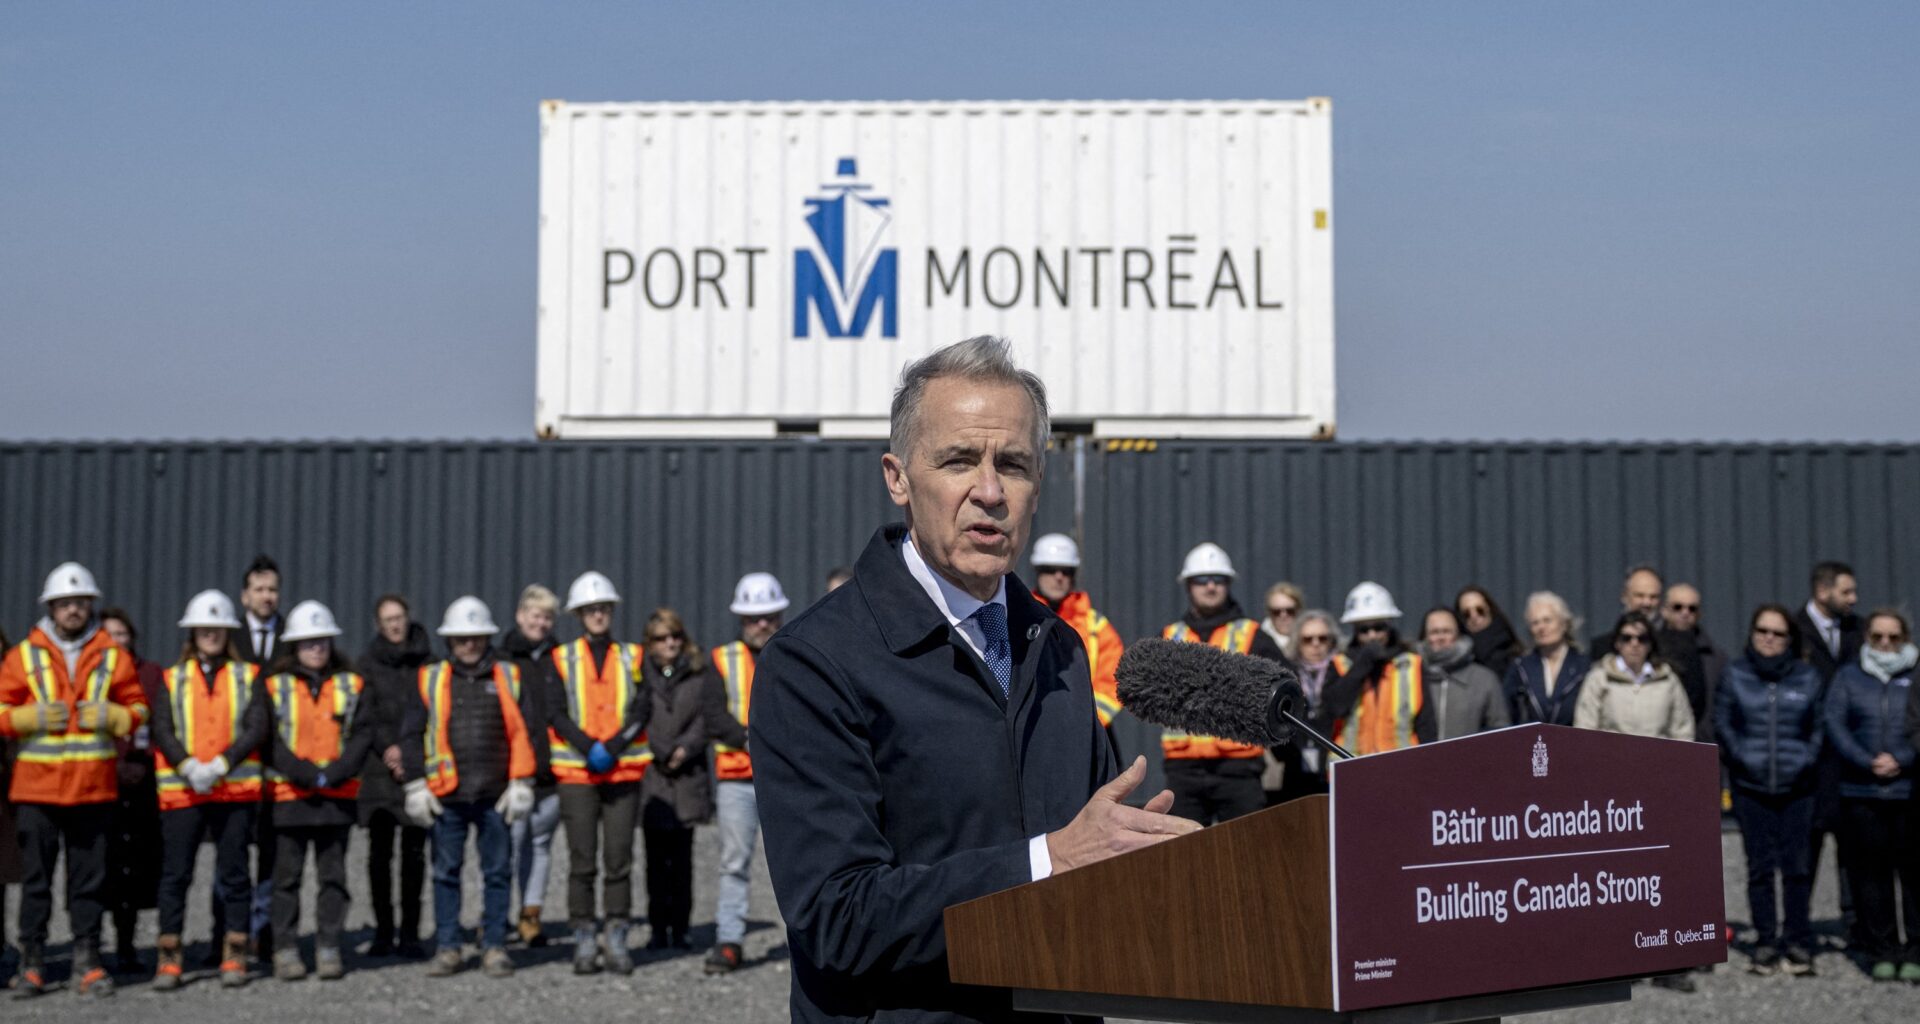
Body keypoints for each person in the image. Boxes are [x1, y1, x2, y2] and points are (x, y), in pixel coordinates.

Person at [753, 335, 1199, 1022]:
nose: (988, 491)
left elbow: (1087, 859)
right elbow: (835, 917)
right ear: (897, 477)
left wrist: (1148, 869)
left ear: (1037, 485)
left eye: (1013, 465)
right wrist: (1049, 860)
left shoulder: (1060, 651)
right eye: (959, 460)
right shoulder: (814, 662)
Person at [0, 562, 148, 998]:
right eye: (65, 603)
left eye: (80, 602)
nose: (72, 610)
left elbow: (139, 709)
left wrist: (117, 716)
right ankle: (32, 963)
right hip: (37, 789)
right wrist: (23, 718)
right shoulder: (21, 656)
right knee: (36, 882)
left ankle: (87, 960)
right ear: (51, 607)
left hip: (92, 789)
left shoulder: (112, 655)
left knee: (89, 881)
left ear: (90, 606)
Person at [403, 596, 537, 980]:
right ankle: (449, 947)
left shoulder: (508, 676)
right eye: (462, 638)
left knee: (496, 872)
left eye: (476, 637)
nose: (469, 644)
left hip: (496, 795)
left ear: (487, 638)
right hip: (447, 795)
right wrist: (415, 784)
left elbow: (526, 730)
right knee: (446, 872)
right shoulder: (430, 678)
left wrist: (522, 781)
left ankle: (494, 945)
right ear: (449, 641)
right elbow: (411, 734)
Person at [149, 590, 268, 991]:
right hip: (183, 792)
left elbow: (256, 726)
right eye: (205, 628)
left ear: (227, 632)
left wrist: (221, 764)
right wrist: (186, 765)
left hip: (232, 791)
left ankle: (234, 952)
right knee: (176, 875)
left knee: (234, 874)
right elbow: (162, 727)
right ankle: (169, 956)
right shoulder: (172, 677)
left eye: (218, 628)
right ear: (193, 631)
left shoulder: (247, 675)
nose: (211, 634)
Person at [545, 570, 652, 975]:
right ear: (578, 614)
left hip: (622, 772)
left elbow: (641, 708)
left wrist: (615, 745)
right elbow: (555, 711)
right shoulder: (562, 657)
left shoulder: (632, 656)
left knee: (619, 859)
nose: (598, 615)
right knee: (582, 860)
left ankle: (618, 934)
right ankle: (584, 935)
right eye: (590, 610)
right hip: (578, 774)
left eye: (603, 608)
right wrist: (587, 746)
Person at [261, 600, 373, 982]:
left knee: (333, 878)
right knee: (286, 879)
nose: (316, 648)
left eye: (322, 641)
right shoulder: (275, 686)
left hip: (337, 798)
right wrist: (307, 773)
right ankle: (286, 949)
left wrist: (337, 772)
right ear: (295, 646)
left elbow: (363, 734)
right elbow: (269, 740)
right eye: (308, 643)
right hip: (291, 797)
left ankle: (328, 946)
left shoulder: (352, 683)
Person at [1716, 604, 1823, 977]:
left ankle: (1797, 940)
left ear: (1789, 639)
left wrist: (1805, 761)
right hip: (1751, 787)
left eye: (1777, 633)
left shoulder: (1807, 677)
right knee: (1760, 868)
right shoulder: (1736, 674)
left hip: (1798, 787)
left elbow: (1817, 727)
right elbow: (1725, 723)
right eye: (1762, 630)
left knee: (1797, 868)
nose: (1768, 638)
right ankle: (1765, 941)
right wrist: (1743, 757)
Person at [1159, 541, 1286, 824]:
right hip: (1183, 771)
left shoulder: (1253, 635)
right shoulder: (1168, 636)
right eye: (1201, 580)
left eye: (1218, 579)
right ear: (1188, 585)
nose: (1210, 586)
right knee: (1183, 859)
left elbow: (1286, 694)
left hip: (1238, 770)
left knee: (1246, 855)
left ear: (1228, 584)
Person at [1823, 608, 1918, 982]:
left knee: (1913, 876)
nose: (1885, 644)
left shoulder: (1916, 674)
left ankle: (1914, 948)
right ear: (1867, 637)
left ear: (1905, 639)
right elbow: (1835, 722)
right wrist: (1866, 760)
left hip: (1910, 788)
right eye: (1877, 636)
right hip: (1861, 789)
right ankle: (1882, 948)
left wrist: (1904, 758)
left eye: (1893, 637)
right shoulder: (1849, 676)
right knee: (1870, 876)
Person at [703, 574, 780, 974]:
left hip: (786, 780)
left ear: (779, 615)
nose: (761, 624)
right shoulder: (720, 659)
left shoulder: (795, 653)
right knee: (734, 862)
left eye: (767, 616)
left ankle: (812, 941)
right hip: (737, 778)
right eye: (753, 618)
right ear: (740, 620)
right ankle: (729, 940)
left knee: (803, 860)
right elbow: (713, 714)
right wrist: (753, 739)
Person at [354, 594, 431, 958]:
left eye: (399, 617)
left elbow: (434, 709)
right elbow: (364, 715)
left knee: (414, 854)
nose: (395, 625)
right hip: (379, 770)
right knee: (379, 854)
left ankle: (411, 933)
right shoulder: (367, 664)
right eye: (388, 620)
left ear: (408, 617)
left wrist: (409, 752)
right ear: (379, 625)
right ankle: (384, 931)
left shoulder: (427, 660)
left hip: (417, 765)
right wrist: (390, 749)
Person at [638, 607, 718, 952]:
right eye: (661, 638)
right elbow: (637, 715)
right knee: (655, 861)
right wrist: (660, 749)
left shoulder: (699, 675)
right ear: (650, 643)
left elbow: (706, 718)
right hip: (654, 777)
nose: (669, 643)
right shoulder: (640, 676)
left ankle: (682, 928)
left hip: (687, 776)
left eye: (674, 636)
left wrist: (685, 748)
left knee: (682, 861)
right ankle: (658, 927)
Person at [1794, 559, 1863, 945]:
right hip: (1810, 760)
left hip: (1850, 759)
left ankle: (1855, 923)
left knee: (1853, 848)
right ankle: (1800, 927)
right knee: (1807, 848)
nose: (1854, 599)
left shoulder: (1859, 630)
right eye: (1846, 591)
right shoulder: (1793, 630)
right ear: (1823, 592)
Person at [98, 606, 164, 974]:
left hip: (142, 783)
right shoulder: (90, 676)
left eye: (121, 634)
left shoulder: (152, 674)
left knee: (137, 867)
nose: (116, 641)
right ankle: (93, 946)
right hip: (99, 785)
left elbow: (164, 723)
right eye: (108, 635)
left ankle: (127, 944)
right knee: (100, 866)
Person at [499, 584, 561, 948]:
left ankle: (530, 915)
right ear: (520, 616)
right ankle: (498, 915)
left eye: (547, 617)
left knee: (539, 846)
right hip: (513, 773)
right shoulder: (503, 660)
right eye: (535, 615)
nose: (541, 622)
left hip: (550, 771)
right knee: (506, 848)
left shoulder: (559, 657)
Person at [236, 554, 287, 960]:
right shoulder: (227, 638)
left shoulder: (293, 638)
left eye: (272, 590)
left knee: (273, 852)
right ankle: (229, 933)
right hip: (235, 763)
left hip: (278, 763)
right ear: (245, 595)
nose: (267, 597)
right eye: (259, 589)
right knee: (232, 853)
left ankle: (265, 934)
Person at [1030, 534, 1125, 727]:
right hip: (1031, 729)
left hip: (1090, 728)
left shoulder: (1096, 625)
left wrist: (1088, 720)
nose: (1058, 577)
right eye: (1050, 570)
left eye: (1066, 571)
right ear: (1037, 571)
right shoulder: (1018, 616)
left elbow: (1114, 677)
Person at [1327, 582, 1430, 755]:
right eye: (1364, 630)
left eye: (1378, 628)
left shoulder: (1411, 665)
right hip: (1351, 767)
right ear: (1354, 631)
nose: (1372, 635)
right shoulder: (1340, 664)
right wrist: (1362, 665)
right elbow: (1335, 709)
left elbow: (1426, 724)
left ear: (1389, 626)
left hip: (1401, 767)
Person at [1574, 612, 1694, 742]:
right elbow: (1584, 728)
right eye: (1627, 638)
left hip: (1657, 759)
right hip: (1610, 758)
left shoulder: (1668, 680)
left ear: (1650, 644)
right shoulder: (1599, 678)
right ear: (1617, 643)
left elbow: (1683, 730)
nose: (1634, 643)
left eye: (1642, 639)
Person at [1273, 610, 1346, 801]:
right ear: (1298, 642)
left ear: (1332, 641)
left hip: (1334, 769)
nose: (1316, 644)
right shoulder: (1286, 674)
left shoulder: (1342, 670)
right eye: (1308, 639)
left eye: (1323, 638)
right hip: (1295, 769)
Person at [1418, 607, 1510, 741]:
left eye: (1447, 631)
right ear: (1425, 637)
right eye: (1434, 632)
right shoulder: (1413, 676)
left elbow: (1501, 730)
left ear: (1458, 635)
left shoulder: (1484, 679)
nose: (1441, 637)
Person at [1503, 591, 1592, 727]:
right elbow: (1509, 712)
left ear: (1564, 624)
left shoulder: (1584, 666)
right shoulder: (1520, 668)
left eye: (1547, 620)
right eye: (1535, 623)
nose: (1541, 627)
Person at [1657, 583, 1728, 744]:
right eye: (1678, 607)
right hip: (1659, 742)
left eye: (1692, 608)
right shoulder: (1651, 652)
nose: (1685, 613)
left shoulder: (1715, 657)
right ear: (1664, 610)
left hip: (1702, 743)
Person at [1454, 585, 1523, 681]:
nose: (1474, 617)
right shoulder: (1457, 661)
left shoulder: (1513, 653)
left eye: (1480, 610)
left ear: (1490, 610)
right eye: (1466, 614)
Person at [1261, 582, 1305, 657]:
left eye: (1290, 611)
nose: (1283, 616)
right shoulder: (1259, 643)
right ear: (1269, 613)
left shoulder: (1311, 640)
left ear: (1299, 610)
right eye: (1276, 612)